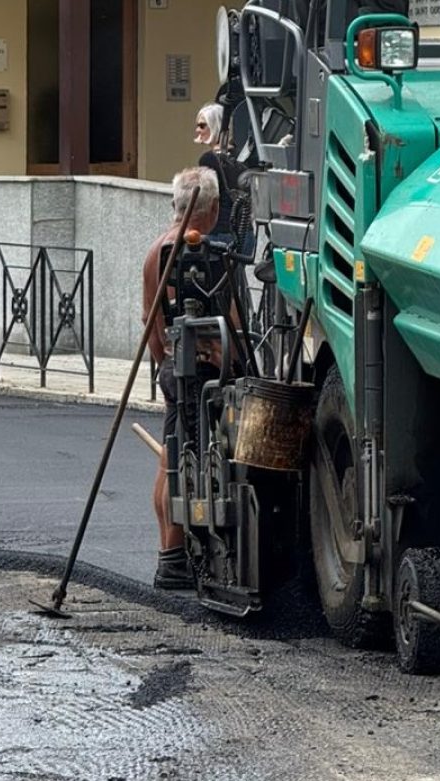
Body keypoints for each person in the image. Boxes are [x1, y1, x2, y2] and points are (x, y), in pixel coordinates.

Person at [142, 167, 222, 590]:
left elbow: (147, 318)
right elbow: (213, 322)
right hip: (196, 368)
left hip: (170, 365)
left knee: (168, 457)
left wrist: (162, 363)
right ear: (208, 210)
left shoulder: (156, 249)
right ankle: (174, 559)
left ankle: (170, 553)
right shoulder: (195, 252)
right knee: (184, 462)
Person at [193, 103, 251, 252]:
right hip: (246, 233)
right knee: (237, 275)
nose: (197, 130)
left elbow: (204, 198)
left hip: (220, 233)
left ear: (215, 125)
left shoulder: (208, 159)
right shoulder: (243, 155)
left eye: (202, 125)